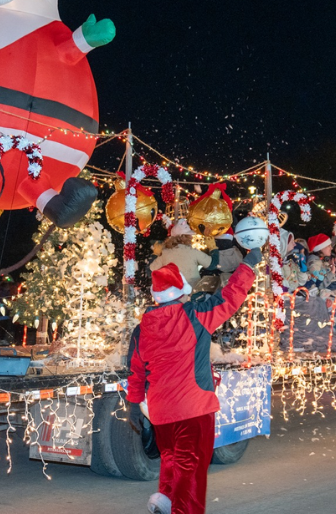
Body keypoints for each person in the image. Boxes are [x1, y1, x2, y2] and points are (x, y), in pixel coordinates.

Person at [127, 248, 262, 514]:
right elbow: (231, 297)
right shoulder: (196, 315)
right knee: (191, 468)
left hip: (161, 412)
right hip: (194, 408)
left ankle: (165, 499)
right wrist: (247, 265)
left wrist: (133, 405)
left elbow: (135, 372)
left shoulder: (141, 328)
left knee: (171, 458)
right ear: (181, 291)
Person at [149, 220, 213, 288]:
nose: (191, 238)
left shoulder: (165, 253)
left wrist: (155, 254)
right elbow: (211, 264)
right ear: (184, 237)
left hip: (174, 291)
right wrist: (213, 249)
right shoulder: (193, 251)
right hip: (193, 291)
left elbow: (152, 268)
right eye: (189, 236)